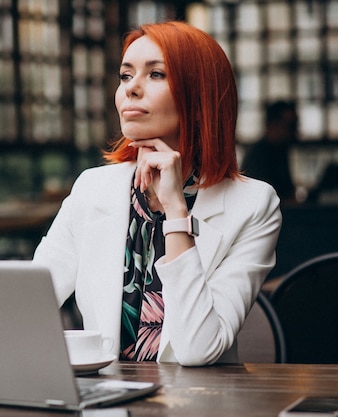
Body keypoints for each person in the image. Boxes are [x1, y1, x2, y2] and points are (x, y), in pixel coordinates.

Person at [32, 21, 282, 366]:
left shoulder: (254, 204)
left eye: (156, 75)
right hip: (107, 401)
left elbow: (199, 350)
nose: (131, 89)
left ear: (199, 96)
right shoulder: (93, 188)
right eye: (125, 75)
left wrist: (176, 211)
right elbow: (28, 305)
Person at [241, 100, 298, 204]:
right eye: (291, 126)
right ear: (272, 125)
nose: (295, 132)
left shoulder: (281, 151)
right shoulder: (259, 155)